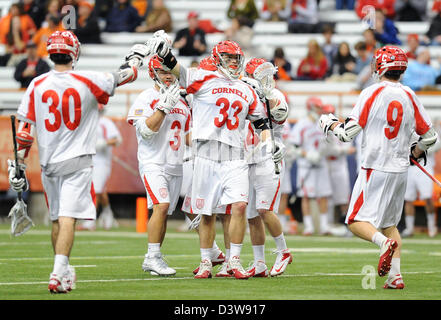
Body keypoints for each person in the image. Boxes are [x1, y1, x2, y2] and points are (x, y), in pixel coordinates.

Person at [7, 30, 141, 293]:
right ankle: (58, 272)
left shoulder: (37, 83)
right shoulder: (87, 78)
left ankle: (64, 269)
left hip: (49, 163)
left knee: (57, 219)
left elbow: (24, 132)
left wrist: (19, 163)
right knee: (68, 218)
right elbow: (128, 75)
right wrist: (137, 57)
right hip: (77, 160)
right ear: (74, 52)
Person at [144, 32, 278, 279]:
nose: (234, 62)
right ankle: (206, 261)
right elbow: (176, 69)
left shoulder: (247, 89)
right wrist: (164, 53)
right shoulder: (203, 78)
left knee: (239, 206)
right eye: (228, 57)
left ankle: (233, 260)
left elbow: (261, 123)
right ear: (217, 58)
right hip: (206, 153)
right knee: (206, 212)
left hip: (235, 155)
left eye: (236, 58)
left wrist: (269, 143)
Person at [319, 45, 438, 289]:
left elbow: (346, 134)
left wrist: (329, 124)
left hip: (375, 166)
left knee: (354, 220)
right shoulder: (409, 94)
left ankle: (383, 244)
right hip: (400, 169)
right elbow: (430, 138)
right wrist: (414, 152)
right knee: (390, 224)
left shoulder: (371, 93)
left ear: (381, 66)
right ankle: (395, 277)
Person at [126, 55, 191, 276]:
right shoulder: (146, 97)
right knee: (161, 206)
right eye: (163, 72)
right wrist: (163, 107)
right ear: (153, 73)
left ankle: (154, 258)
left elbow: (187, 135)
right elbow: (145, 131)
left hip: (175, 163)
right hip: (153, 161)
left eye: (170, 72)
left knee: (163, 212)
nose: (168, 76)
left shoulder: (182, 101)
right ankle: (152, 257)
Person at [243, 58, 292, 277]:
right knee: (252, 215)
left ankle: (283, 251)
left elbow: (280, 114)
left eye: (267, 75)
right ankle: (259, 262)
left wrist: (262, 96)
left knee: (264, 209)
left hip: (269, 154)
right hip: (249, 157)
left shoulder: (276, 95)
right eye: (261, 76)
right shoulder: (245, 94)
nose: (266, 79)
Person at [290, 97, 332, 235]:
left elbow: (329, 143)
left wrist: (323, 150)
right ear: (311, 108)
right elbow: (293, 146)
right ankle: (309, 226)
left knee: (324, 195)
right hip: (306, 165)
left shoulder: (322, 123)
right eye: (317, 108)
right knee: (306, 196)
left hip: (321, 164)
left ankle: (324, 226)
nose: (320, 110)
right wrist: (306, 154)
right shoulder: (302, 124)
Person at [78, 104, 122, 231]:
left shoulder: (105, 122)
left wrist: (102, 143)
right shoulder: (86, 122)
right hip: (87, 160)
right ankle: (108, 213)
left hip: (101, 161)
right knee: (97, 190)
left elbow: (117, 140)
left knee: (95, 190)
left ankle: (89, 221)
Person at [322, 103, 355, 235]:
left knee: (343, 198)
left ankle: (348, 226)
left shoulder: (342, 128)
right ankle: (327, 225)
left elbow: (349, 148)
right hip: (326, 165)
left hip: (339, 165)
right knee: (327, 196)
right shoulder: (321, 129)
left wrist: (337, 150)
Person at [402, 128, 441, 238]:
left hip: (425, 167)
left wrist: (420, 149)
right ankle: (409, 229)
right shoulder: (407, 131)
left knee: (428, 198)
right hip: (409, 168)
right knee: (408, 199)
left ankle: (431, 227)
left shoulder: (429, 130)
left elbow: (437, 144)